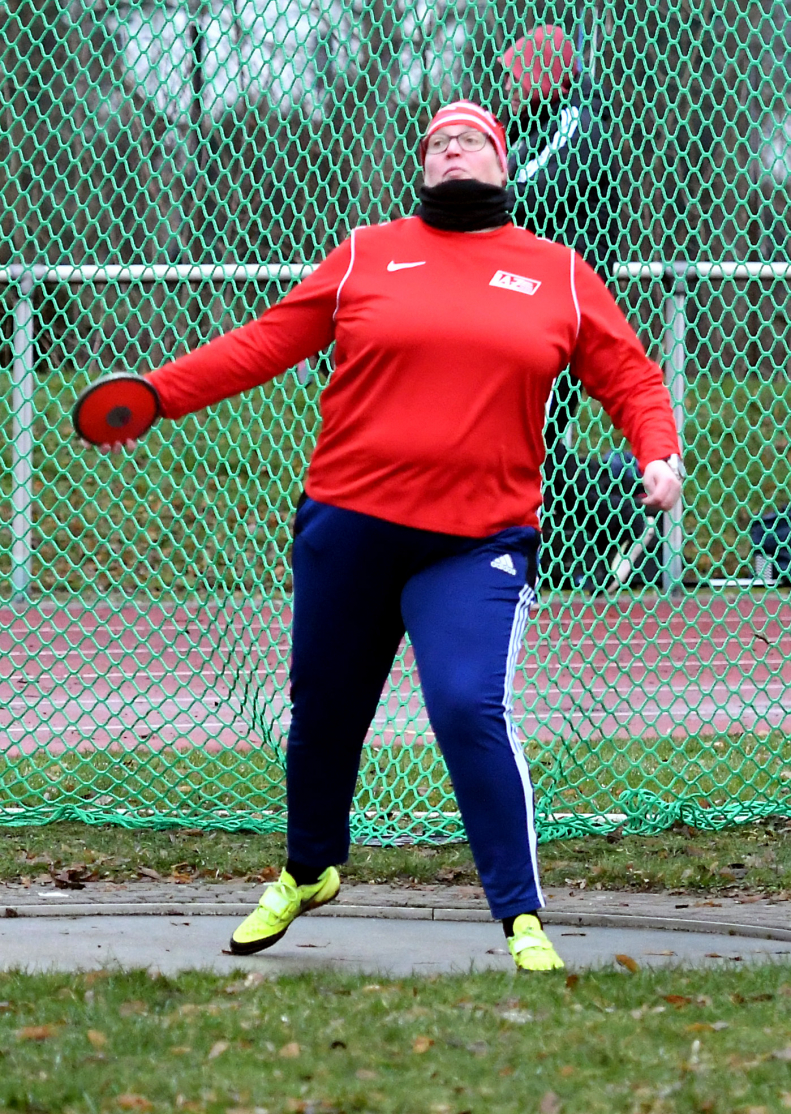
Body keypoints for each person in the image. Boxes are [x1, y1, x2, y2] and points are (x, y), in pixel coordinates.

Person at [108, 100, 684, 972]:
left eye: (471, 139)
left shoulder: (557, 272)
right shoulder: (367, 254)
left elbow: (630, 375)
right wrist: (155, 395)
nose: (452, 146)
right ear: (424, 168)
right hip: (347, 528)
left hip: (473, 541)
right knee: (324, 715)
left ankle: (521, 918)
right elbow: (266, 342)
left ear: (500, 162)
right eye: (437, 141)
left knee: (465, 707)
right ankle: (307, 870)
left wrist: (658, 451)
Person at [500, 25, 620, 466]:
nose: (508, 85)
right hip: (524, 298)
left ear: (543, 74)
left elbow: (532, 191)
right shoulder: (529, 132)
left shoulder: (579, 122)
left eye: (516, 75)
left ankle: (617, 512)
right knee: (526, 441)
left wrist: (483, 196)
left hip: (561, 305)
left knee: (532, 443)